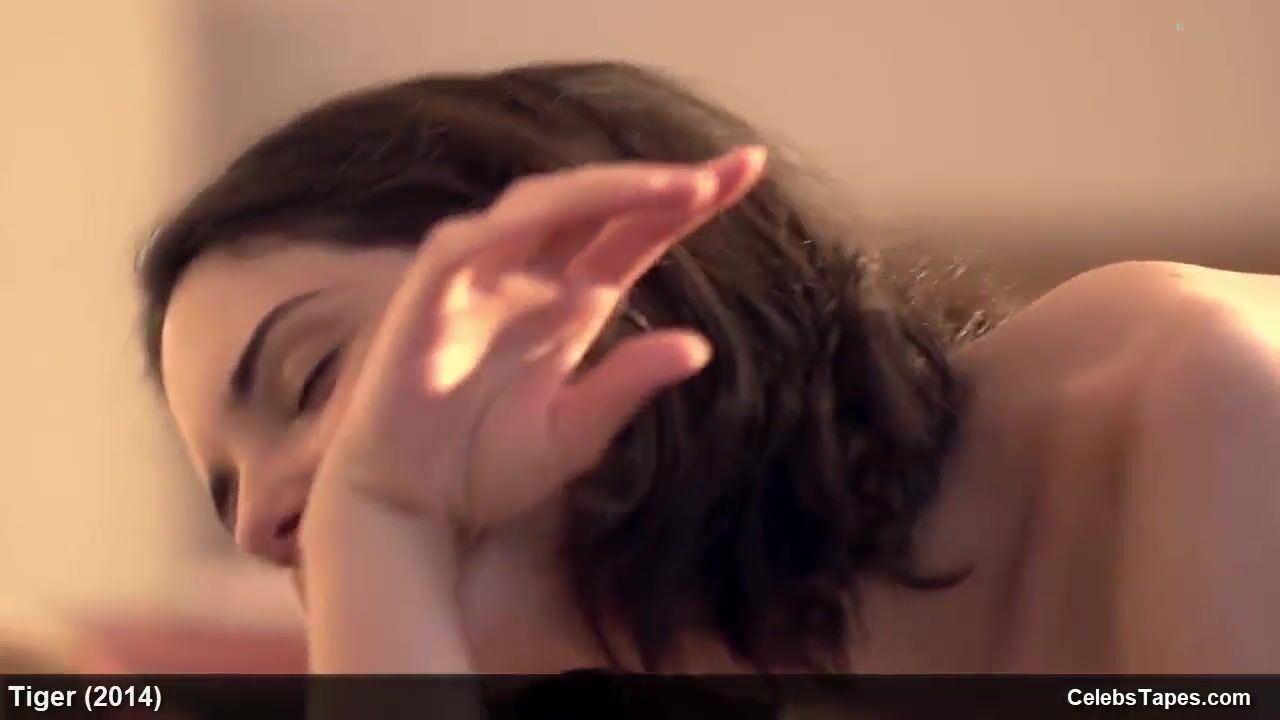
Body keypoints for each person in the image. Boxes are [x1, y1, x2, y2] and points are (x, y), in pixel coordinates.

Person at [138, 60, 1280, 676]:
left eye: (313, 378)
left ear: (606, 263)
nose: (269, 526)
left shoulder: (1198, 401)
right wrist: (384, 531)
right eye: (231, 496)